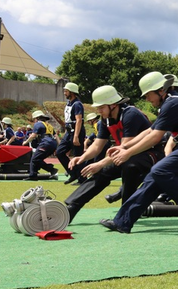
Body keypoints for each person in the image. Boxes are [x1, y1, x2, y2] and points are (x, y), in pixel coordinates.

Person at [99, 72, 178, 234]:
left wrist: (128, 153)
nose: (147, 99)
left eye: (148, 95)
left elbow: (155, 138)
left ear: (161, 90)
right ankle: (122, 222)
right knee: (153, 178)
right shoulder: (170, 102)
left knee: (159, 171)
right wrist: (124, 147)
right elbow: (151, 130)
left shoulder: (172, 104)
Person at [63, 85, 161, 223]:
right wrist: (82, 157)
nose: (99, 111)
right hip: (128, 154)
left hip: (152, 154)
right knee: (102, 172)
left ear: (113, 105)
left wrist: (100, 163)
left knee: (130, 166)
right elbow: (97, 145)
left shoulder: (130, 114)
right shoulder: (105, 119)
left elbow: (125, 147)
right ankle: (71, 208)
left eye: (101, 107)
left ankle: (125, 216)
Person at [56, 82, 87, 184]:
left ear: (72, 92)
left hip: (76, 131)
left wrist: (76, 136)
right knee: (60, 152)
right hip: (69, 132)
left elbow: (79, 120)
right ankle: (72, 173)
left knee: (78, 156)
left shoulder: (77, 104)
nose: (64, 93)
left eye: (66, 91)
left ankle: (82, 179)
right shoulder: (69, 103)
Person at [22, 110, 59, 180]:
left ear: (37, 118)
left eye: (34, 119)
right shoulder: (49, 125)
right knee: (37, 159)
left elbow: (33, 135)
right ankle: (33, 175)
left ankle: (51, 169)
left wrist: (25, 142)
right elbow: (56, 136)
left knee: (34, 159)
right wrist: (58, 147)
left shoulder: (38, 124)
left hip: (45, 143)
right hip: (53, 144)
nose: (34, 121)